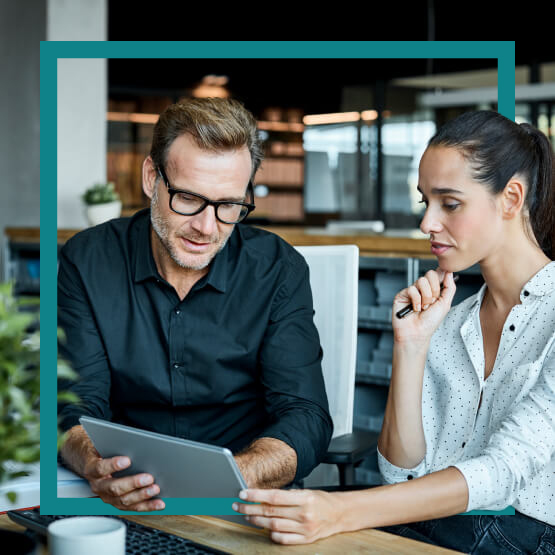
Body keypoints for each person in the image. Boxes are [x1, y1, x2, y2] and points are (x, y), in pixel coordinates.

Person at [233, 110, 555, 553]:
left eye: (451, 203)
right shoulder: (453, 320)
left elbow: (503, 472)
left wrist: (341, 512)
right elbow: (401, 475)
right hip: (441, 525)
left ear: (511, 198)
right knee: (267, 534)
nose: (427, 224)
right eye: (426, 202)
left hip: (527, 535)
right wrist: (412, 346)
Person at [57, 97, 333, 512]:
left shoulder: (278, 270)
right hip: (121, 496)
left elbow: (305, 416)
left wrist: (232, 476)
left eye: (229, 206)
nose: (206, 227)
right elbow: (74, 404)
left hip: (243, 499)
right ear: (152, 177)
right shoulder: (87, 260)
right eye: (188, 198)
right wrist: (96, 465)